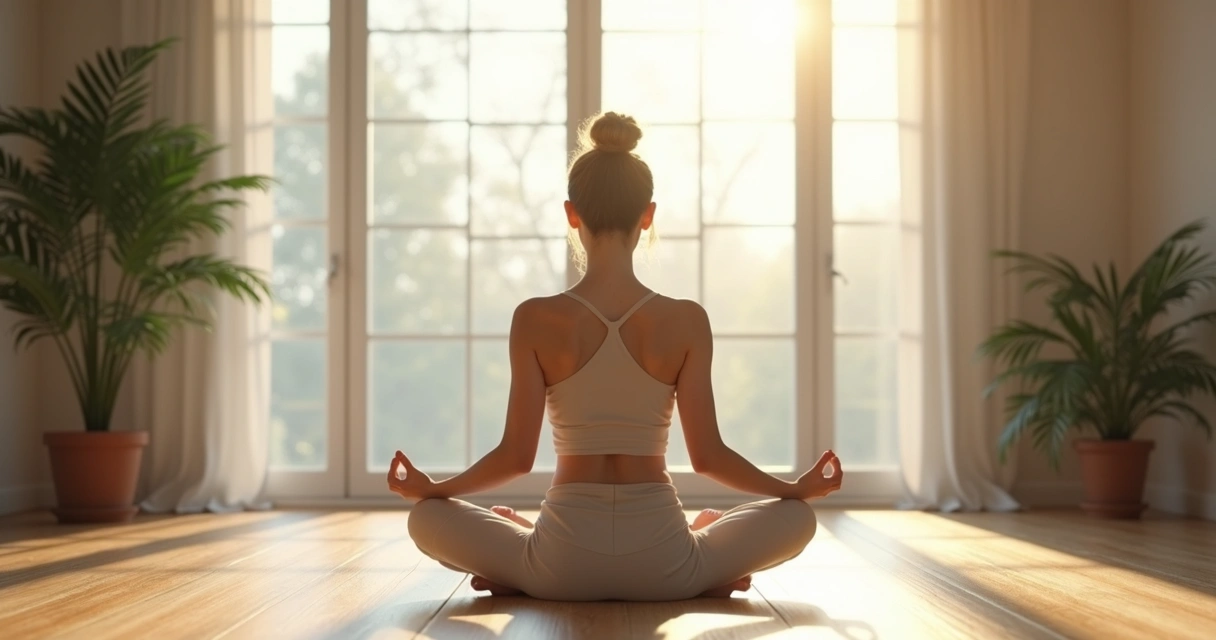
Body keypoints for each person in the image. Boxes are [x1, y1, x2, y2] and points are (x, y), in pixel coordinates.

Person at [389, 112, 843, 601]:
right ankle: (707, 564)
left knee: (426, 518)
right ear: (648, 215)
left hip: (558, 567)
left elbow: (516, 459)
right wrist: (794, 489)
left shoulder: (535, 319)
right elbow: (709, 457)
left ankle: (518, 565)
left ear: (571, 213)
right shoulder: (686, 320)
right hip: (666, 565)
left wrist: (434, 489)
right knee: (797, 518)